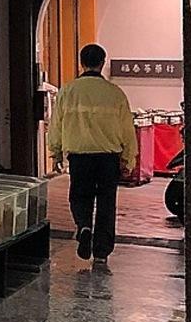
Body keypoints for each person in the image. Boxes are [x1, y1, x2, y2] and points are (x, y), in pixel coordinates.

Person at [46, 43, 137, 267]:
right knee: (106, 203)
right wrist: (129, 158)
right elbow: (127, 129)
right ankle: (102, 252)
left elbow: (56, 125)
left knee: (79, 196)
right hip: (108, 158)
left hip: (79, 157)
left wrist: (55, 153)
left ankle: (84, 225)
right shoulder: (115, 93)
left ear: (81, 63)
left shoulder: (68, 91)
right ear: (102, 63)